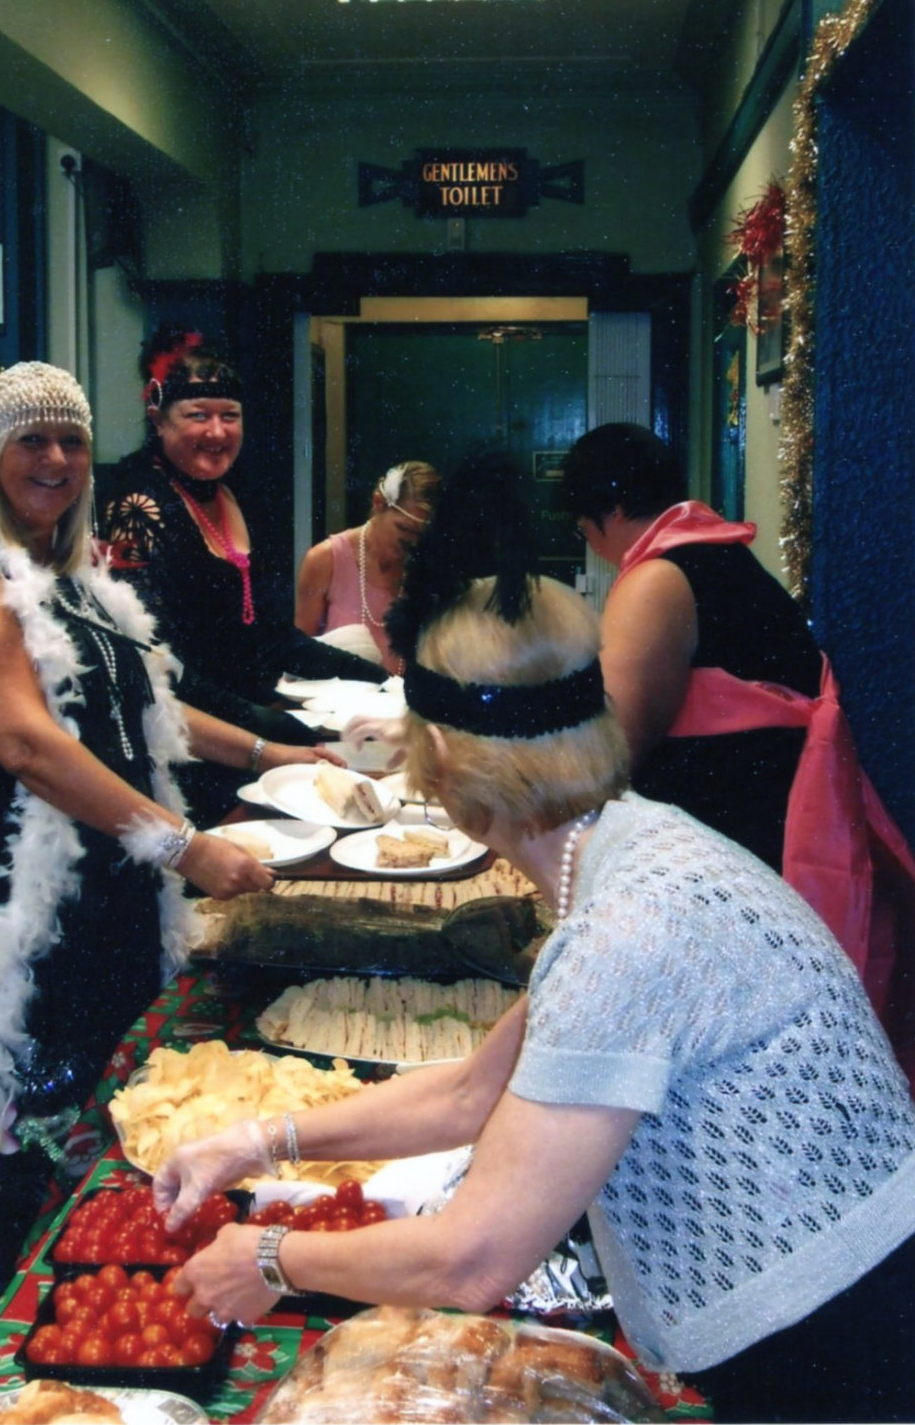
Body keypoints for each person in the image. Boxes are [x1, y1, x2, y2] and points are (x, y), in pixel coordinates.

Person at [154, 490, 915, 1425]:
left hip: (839, 1342)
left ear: (447, 764)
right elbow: (470, 1092)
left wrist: (271, 1259)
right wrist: (256, 1143)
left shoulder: (624, 932)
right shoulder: (632, 844)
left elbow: (472, 1259)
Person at [0, 362, 336, 1312]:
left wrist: (278, 753)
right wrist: (186, 845)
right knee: (25, 1134)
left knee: (112, 1116)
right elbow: (27, 745)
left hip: (113, 880)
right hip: (18, 901)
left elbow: (156, 704)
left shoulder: (80, 576)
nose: (56, 459)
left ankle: (114, 1299)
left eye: (71, 440)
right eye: (31, 440)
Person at [561, 422, 915, 1087]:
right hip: (771, 818)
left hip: (736, 832)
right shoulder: (720, 554)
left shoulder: (658, 577)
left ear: (610, 510)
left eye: (585, 526)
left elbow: (613, 748)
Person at [100, 328, 385, 824]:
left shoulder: (236, 496)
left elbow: (272, 637)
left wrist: (385, 681)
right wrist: (271, 727)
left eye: (229, 415)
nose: (217, 432)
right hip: (188, 752)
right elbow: (160, 667)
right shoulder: (139, 507)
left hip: (251, 739)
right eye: (198, 415)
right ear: (158, 419)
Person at [294, 460, 440, 672]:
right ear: (378, 503)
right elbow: (299, 655)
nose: (413, 542)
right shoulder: (325, 560)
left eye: (421, 534)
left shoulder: (425, 569)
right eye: (404, 528)